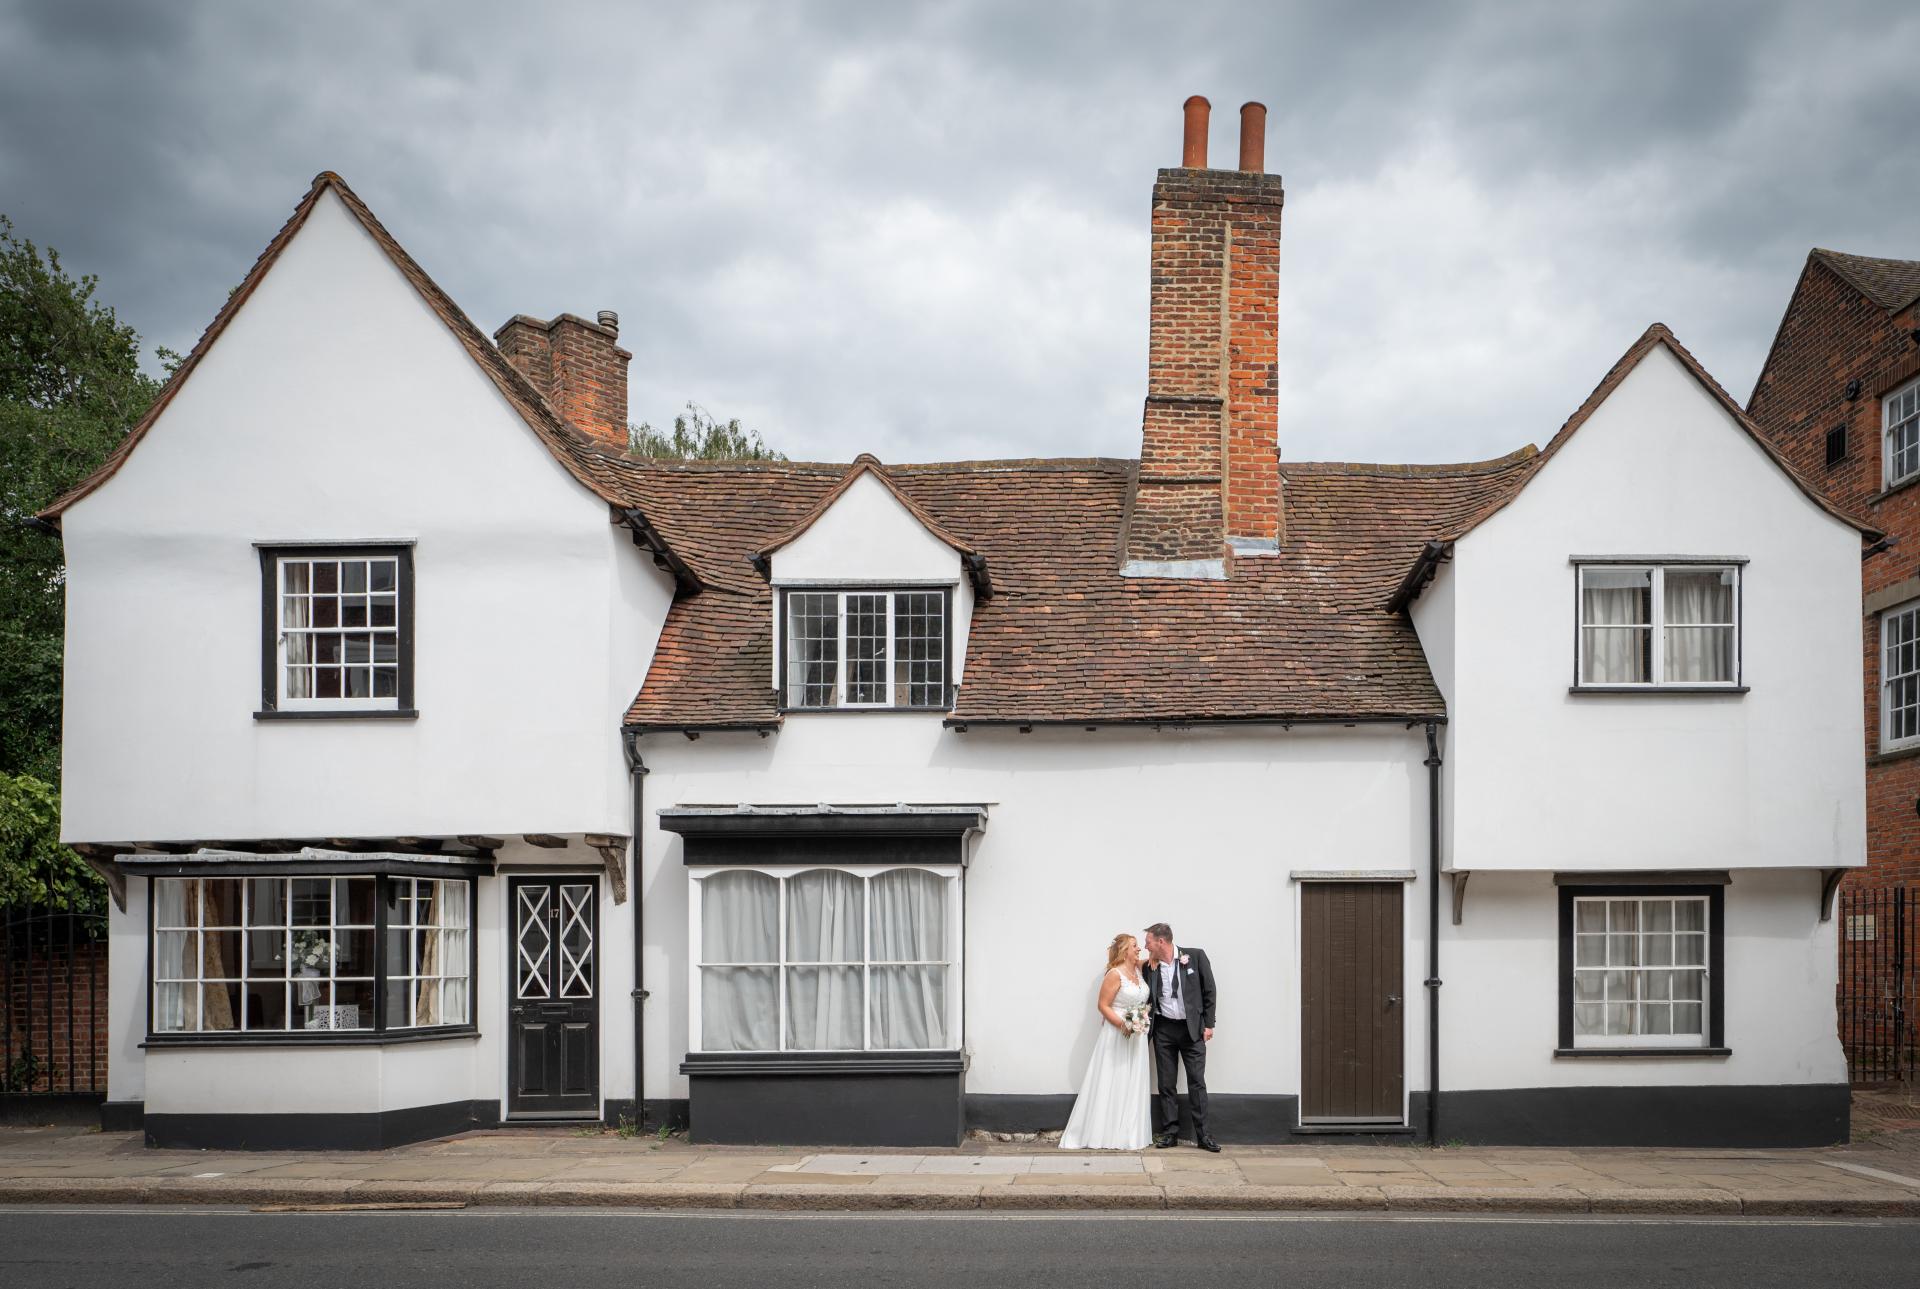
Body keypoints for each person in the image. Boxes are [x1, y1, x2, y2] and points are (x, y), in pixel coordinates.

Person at [1058, 932, 1153, 1150]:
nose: (1139, 949)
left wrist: (1138, 1024)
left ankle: (1129, 1132)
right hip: (1118, 1033)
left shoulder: (1137, 969)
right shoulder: (1114, 974)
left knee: (1132, 1081)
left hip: (1137, 1034)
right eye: (1135, 945)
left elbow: (1151, 960)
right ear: (1124, 950)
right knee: (1114, 1079)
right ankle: (1105, 1132)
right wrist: (1124, 1026)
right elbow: (1103, 1005)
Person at [1144, 922, 1218, 1152]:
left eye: (1148, 943)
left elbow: (1210, 990)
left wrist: (1208, 1024)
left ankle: (1203, 1136)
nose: (1147, 947)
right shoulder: (1150, 966)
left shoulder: (1194, 957)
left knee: (1197, 1082)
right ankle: (1170, 1133)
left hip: (1192, 1030)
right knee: (1166, 1084)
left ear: (1161, 942)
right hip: (1164, 1029)